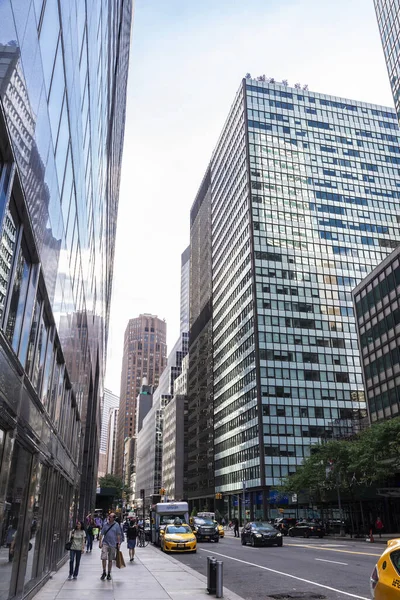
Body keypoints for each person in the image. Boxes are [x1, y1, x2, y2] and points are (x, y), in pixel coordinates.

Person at [99, 513, 121, 581]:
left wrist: (118, 543)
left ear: (114, 518)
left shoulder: (116, 525)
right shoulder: (105, 524)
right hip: (105, 543)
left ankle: (109, 573)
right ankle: (104, 572)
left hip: (113, 544)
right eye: (109, 516)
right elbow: (101, 534)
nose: (109, 518)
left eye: (111, 517)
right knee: (103, 558)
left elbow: (118, 535)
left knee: (110, 559)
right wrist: (100, 542)